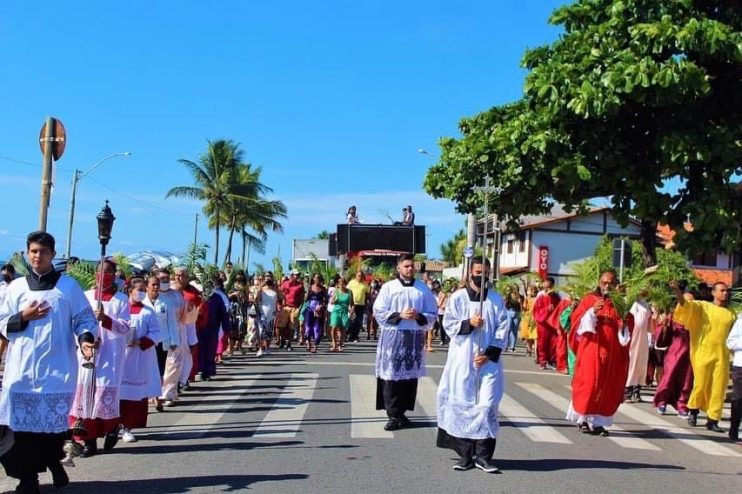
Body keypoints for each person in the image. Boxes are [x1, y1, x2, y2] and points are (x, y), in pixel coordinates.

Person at [0, 231, 97, 493]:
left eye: (43, 252)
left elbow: (85, 319)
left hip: (56, 370)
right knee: (17, 430)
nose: (37, 256)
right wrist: (23, 315)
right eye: (33, 251)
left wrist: (86, 339)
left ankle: (53, 464)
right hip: (21, 369)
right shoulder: (16, 287)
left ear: (53, 254)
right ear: (26, 253)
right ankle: (28, 478)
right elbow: (1, 321)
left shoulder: (68, 287)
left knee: (49, 429)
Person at [437, 258, 508, 473]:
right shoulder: (458, 298)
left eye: (485, 272)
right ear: (469, 272)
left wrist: (488, 354)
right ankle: (466, 455)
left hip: (488, 361)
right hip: (463, 358)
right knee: (464, 404)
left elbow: (503, 327)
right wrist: (469, 323)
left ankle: (484, 456)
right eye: (478, 271)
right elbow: (447, 324)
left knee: (486, 405)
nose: (481, 276)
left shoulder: (495, 299)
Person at [69, 259, 130, 459]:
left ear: (114, 275)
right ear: (95, 274)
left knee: (103, 395)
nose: (105, 276)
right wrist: (85, 341)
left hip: (110, 353)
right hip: (87, 353)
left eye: (109, 272)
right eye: (101, 271)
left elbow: (125, 328)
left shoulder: (121, 300)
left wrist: (106, 319)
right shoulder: (86, 297)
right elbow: (76, 322)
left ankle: (112, 427)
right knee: (85, 396)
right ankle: (89, 441)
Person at [373, 253, 437, 431]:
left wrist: (419, 316)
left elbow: (432, 312)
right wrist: (399, 315)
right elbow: (378, 310)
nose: (410, 269)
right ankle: (392, 414)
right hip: (394, 335)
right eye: (406, 266)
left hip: (414, 336)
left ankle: (402, 412)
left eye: (412, 266)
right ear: (399, 268)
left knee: (409, 377)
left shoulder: (422, 289)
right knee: (392, 376)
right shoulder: (389, 287)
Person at [566, 270, 631, 436]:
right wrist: (592, 312)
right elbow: (576, 322)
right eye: (604, 282)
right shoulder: (589, 300)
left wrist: (624, 323)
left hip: (611, 352)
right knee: (589, 384)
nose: (607, 286)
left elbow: (628, 324)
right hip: (591, 349)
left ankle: (598, 423)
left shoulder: (620, 304)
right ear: (599, 282)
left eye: (611, 283)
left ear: (616, 284)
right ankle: (583, 419)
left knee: (606, 386)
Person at [670, 280, 735, 432]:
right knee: (700, 383)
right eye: (722, 290)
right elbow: (686, 306)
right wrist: (677, 292)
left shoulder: (731, 313)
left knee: (719, 387)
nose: (725, 293)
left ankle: (713, 420)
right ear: (713, 292)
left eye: (727, 291)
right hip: (702, 353)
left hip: (722, 355)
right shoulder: (702, 307)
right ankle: (693, 410)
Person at [119, 277, 161, 444]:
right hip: (120, 356)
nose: (142, 292)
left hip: (138, 358)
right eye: (139, 289)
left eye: (144, 289)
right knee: (117, 392)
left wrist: (140, 342)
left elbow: (156, 333)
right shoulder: (120, 309)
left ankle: (128, 426)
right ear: (130, 290)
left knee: (133, 393)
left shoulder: (148, 312)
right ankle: (115, 426)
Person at [654, 290, 695, 417]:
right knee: (669, 377)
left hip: (690, 353)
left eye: (691, 302)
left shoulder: (696, 318)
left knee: (686, 380)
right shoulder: (673, 316)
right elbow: (662, 338)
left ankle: (682, 404)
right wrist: (664, 327)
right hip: (674, 352)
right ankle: (662, 401)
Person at [154, 269, 185, 408]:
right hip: (155, 338)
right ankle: (155, 394)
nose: (164, 281)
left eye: (167, 278)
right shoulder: (152, 296)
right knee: (157, 368)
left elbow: (182, 315)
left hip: (174, 336)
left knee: (172, 368)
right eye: (161, 279)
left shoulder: (176, 295)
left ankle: (169, 395)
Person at [142, 274, 169, 412]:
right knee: (147, 370)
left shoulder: (164, 302)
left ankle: (157, 396)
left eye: (158, 284)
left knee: (160, 370)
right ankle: (149, 396)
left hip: (161, 341)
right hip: (145, 342)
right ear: (147, 287)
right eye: (153, 284)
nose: (156, 287)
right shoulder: (141, 303)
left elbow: (170, 323)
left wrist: (173, 340)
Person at [196, 278, 231, 381]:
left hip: (212, 328)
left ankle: (207, 371)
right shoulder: (199, 297)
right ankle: (198, 369)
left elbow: (223, 314)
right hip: (198, 328)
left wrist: (226, 328)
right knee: (199, 350)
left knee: (210, 350)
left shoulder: (217, 298)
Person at [173, 267, 200, 391]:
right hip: (173, 327)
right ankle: (175, 382)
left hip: (188, 325)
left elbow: (196, 307)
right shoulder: (170, 290)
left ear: (187, 278)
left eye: (182, 275)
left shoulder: (193, 292)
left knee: (187, 353)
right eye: (177, 275)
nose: (178, 278)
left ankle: (183, 379)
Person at [624, 296, 651, 403]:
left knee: (641, 364)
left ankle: (637, 390)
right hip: (632, 337)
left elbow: (649, 323)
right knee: (631, 362)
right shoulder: (630, 302)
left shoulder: (646, 304)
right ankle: (627, 391)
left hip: (643, 338)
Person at [533, 277, 561, 370]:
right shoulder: (540, 297)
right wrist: (546, 310)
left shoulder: (556, 297)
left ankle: (552, 360)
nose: (547, 289)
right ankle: (543, 361)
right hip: (543, 324)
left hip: (553, 324)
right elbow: (536, 311)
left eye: (549, 286)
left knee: (554, 343)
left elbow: (560, 310)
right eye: (545, 286)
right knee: (543, 343)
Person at [726, 313, 742, 443]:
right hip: (740, 366)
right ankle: (734, 428)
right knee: (738, 398)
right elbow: (730, 343)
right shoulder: (740, 320)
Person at [255, 277, 280, 357]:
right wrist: (259, 288)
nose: (268, 281)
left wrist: (278, 309)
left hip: (271, 314)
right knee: (261, 332)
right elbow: (257, 300)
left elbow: (281, 299)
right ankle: (260, 349)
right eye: (266, 280)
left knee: (269, 332)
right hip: (262, 313)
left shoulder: (275, 291)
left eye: (269, 280)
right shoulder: (261, 290)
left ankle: (267, 348)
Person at [303, 274, 327, 353]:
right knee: (308, 327)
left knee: (317, 328)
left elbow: (325, 301)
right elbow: (305, 299)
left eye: (319, 278)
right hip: (309, 309)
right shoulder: (310, 288)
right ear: (313, 279)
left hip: (319, 310)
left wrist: (321, 307)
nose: (317, 280)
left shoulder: (323, 289)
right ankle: (308, 343)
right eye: (316, 278)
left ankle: (315, 346)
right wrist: (307, 292)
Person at [280, 269, 305, 344]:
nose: (297, 276)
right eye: (295, 274)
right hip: (285, 307)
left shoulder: (300, 285)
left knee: (292, 326)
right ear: (291, 275)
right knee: (282, 326)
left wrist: (300, 308)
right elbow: (280, 294)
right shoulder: (285, 283)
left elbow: (302, 297)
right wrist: (281, 304)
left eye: (298, 274)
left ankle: (289, 344)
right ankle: (283, 340)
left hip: (295, 308)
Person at [329, 277, 353, 352]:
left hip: (345, 311)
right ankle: (334, 344)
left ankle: (340, 344)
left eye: (343, 283)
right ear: (338, 284)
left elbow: (352, 303)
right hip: (336, 310)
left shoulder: (349, 292)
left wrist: (352, 310)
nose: (341, 285)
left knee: (343, 328)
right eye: (340, 284)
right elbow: (331, 302)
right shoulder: (336, 291)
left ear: (345, 284)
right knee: (334, 327)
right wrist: (334, 300)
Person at [347, 271, 369, 343]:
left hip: (361, 305)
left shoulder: (365, 284)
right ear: (356, 276)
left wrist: (366, 305)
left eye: (361, 276)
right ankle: (349, 335)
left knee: (358, 321)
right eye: (358, 275)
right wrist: (350, 305)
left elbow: (367, 295)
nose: (360, 277)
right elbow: (348, 293)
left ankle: (355, 336)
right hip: (352, 304)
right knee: (351, 321)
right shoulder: (351, 282)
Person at [518, 285, 538, 358]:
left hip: (535, 318)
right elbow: (523, 309)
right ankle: (529, 351)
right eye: (528, 291)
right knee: (528, 336)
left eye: (529, 290)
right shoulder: (527, 299)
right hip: (527, 318)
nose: (528, 292)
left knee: (535, 336)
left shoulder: (537, 298)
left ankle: (536, 353)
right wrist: (520, 303)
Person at [505, 288, 522, 352]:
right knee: (508, 329)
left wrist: (520, 302)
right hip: (509, 312)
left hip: (517, 313)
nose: (514, 291)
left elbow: (521, 308)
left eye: (516, 289)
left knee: (514, 331)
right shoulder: (508, 297)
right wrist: (506, 301)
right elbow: (505, 306)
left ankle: (512, 347)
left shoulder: (520, 297)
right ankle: (505, 346)